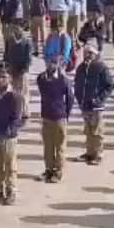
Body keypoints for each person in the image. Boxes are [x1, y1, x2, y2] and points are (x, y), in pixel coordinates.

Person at [0, 65, 23, 205]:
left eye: (3, 76)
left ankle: (11, 190)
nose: (0, 79)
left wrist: (9, 131)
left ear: (10, 78)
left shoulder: (15, 96)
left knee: (10, 166)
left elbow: (17, 117)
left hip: (8, 137)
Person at [37, 54, 76, 183]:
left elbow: (70, 98)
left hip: (59, 117)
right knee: (47, 146)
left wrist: (66, 113)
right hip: (46, 116)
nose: (50, 65)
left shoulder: (64, 80)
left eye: (54, 62)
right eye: (48, 62)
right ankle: (48, 169)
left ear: (58, 64)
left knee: (60, 147)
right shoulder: (41, 78)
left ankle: (58, 172)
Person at [74, 44, 114, 166]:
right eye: (86, 52)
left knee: (97, 131)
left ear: (95, 54)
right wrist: (79, 99)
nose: (87, 55)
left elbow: (110, 86)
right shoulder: (81, 68)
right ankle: (89, 152)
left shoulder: (101, 67)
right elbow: (77, 85)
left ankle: (98, 154)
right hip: (84, 105)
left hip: (96, 106)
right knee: (88, 130)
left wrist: (99, 99)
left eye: (90, 53)